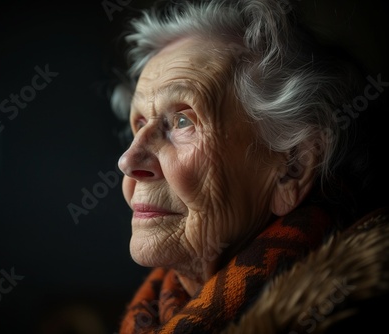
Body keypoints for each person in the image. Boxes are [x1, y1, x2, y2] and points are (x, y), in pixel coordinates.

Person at [108, 0, 389, 333]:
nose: (128, 160)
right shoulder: (155, 313)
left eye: (183, 120)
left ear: (292, 168)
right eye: (139, 123)